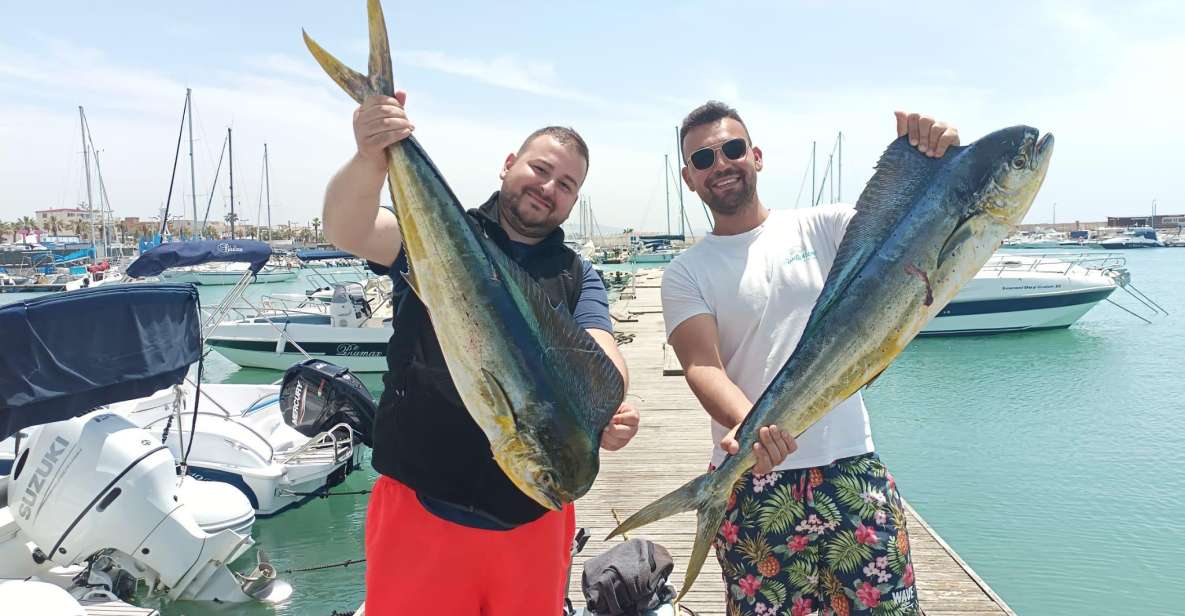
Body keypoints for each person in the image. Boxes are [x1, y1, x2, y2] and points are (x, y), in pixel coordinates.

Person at [322, 91, 640, 615]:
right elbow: (347, 228)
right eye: (540, 169)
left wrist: (607, 404)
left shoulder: (578, 275)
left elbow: (601, 345)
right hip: (420, 509)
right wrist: (368, 156)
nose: (548, 188)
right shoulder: (438, 234)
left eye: (566, 185)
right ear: (508, 164)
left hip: (533, 521)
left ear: (573, 203)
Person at [662, 101, 959, 616]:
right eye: (703, 159)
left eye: (732, 149)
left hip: (850, 466)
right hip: (751, 478)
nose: (722, 164)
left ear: (756, 156)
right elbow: (702, 365)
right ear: (689, 178)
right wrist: (750, 427)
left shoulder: (828, 226)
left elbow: (913, 233)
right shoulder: (686, 272)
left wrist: (940, 163)